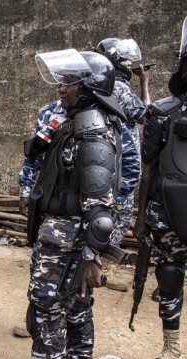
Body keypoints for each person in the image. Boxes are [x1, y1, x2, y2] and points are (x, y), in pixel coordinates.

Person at [24, 49, 125, 357]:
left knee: (48, 312)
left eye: (70, 82)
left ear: (89, 88)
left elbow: (100, 213)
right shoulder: (75, 125)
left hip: (68, 244)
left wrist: (92, 259)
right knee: (74, 309)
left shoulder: (92, 135)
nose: (61, 87)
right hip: (61, 241)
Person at [133, 18, 187, 359]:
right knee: (169, 276)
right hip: (167, 211)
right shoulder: (162, 112)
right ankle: (172, 345)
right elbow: (147, 169)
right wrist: (140, 218)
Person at [95, 37, 150, 292]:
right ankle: (103, 271)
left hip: (103, 165)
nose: (131, 64)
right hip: (121, 170)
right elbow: (146, 116)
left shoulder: (100, 86)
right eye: (127, 60)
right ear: (116, 62)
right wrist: (145, 82)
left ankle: (95, 265)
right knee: (118, 217)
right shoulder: (121, 88)